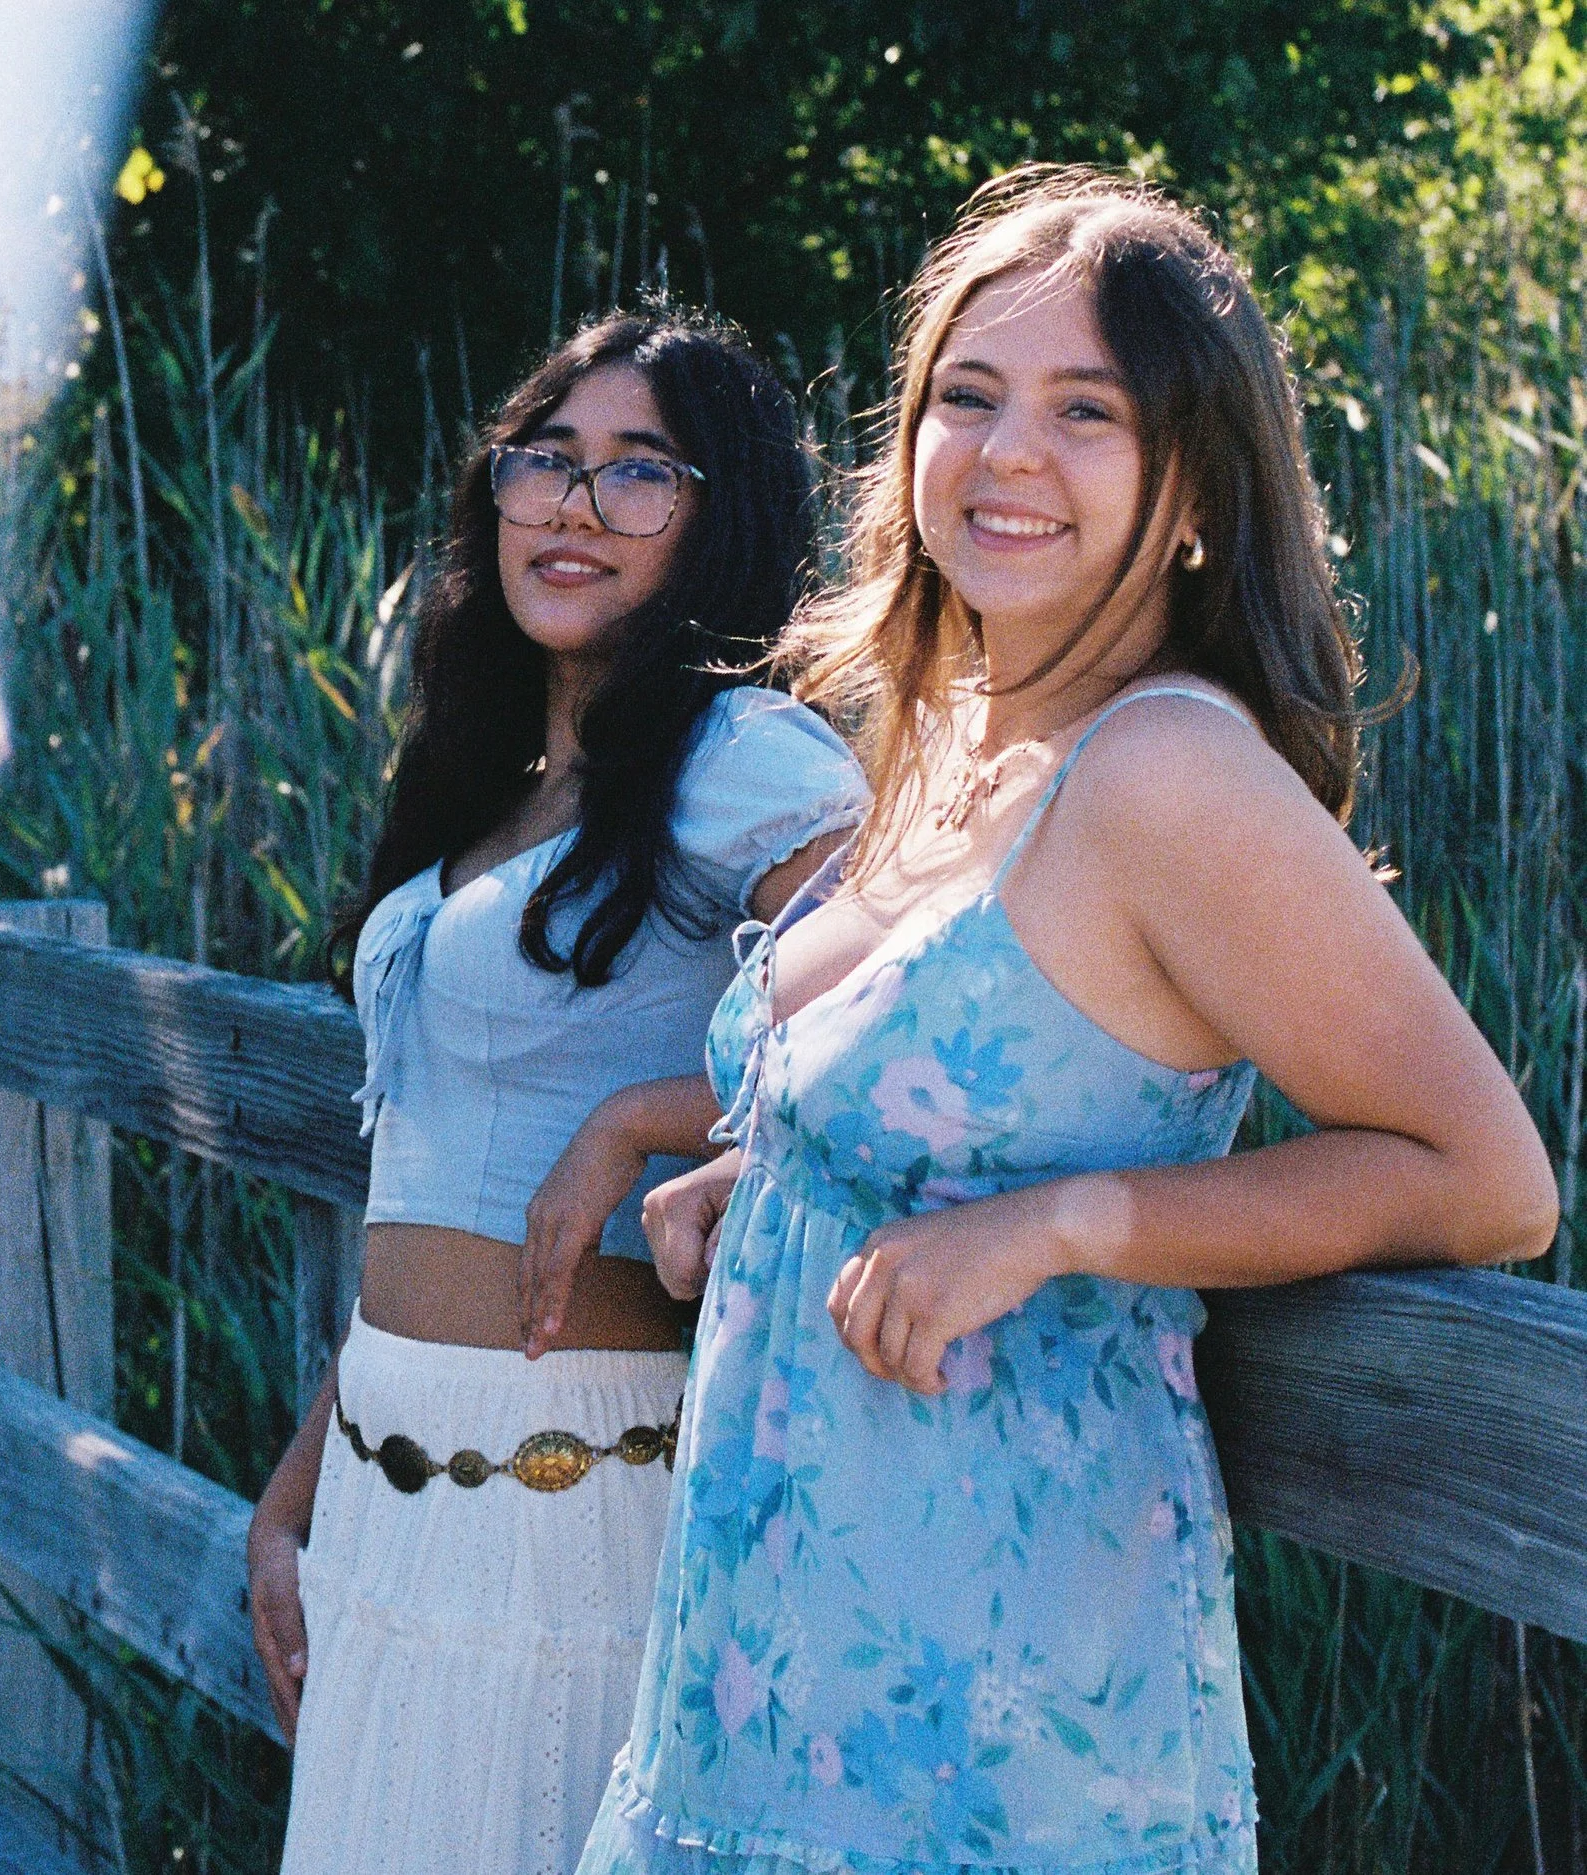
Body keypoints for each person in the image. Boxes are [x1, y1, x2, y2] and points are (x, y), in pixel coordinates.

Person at [573, 166, 1560, 1875]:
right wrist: (786, 1184)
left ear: (1193, 487)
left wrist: (1065, 1224)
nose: (1007, 449)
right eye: (968, 395)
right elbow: (986, 1079)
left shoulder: (1169, 771)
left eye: (1085, 410)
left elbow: (1487, 1176)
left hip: (998, 1734)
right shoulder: (949, 738)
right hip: (762, 1686)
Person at [249, 307, 870, 1875]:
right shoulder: (483, 781)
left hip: (579, 1489)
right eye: (549, 460)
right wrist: (295, 1488)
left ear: (723, 518)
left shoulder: (744, 754)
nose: (576, 505)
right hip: (390, 1483)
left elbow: (911, 1036)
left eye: (639, 473)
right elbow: (429, 1180)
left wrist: (644, 1118)